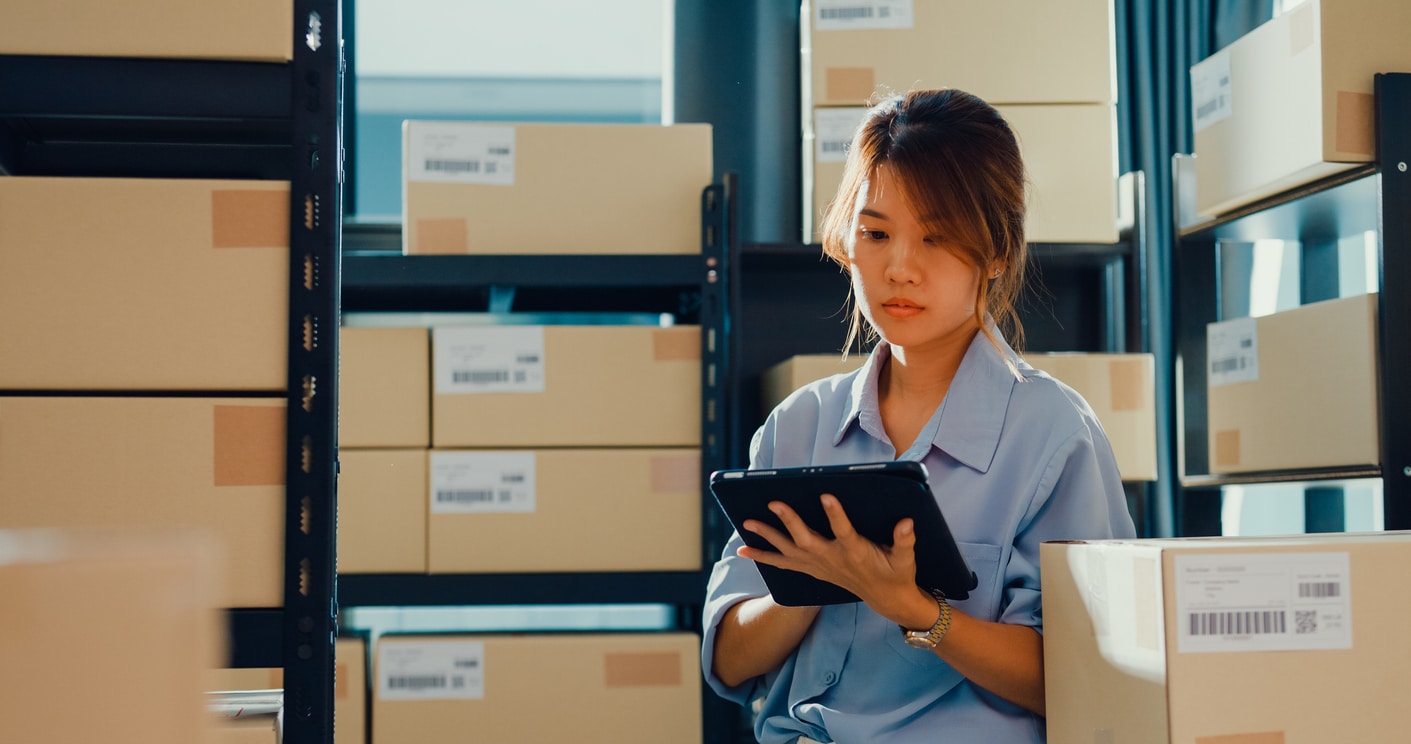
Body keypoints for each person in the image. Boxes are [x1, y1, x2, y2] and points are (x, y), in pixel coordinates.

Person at [701, 88, 1137, 743]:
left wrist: (912, 609)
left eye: (936, 238)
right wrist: (817, 581)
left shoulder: (1053, 435)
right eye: (874, 233)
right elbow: (729, 664)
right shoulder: (798, 426)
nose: (898, 268)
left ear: (995, 251)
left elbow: (1088, 676)